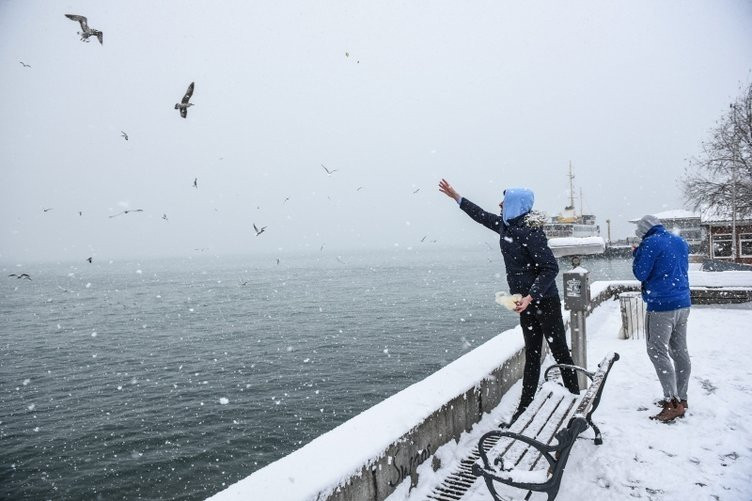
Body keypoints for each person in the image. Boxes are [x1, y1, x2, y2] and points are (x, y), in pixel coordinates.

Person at [438, 179, 580, 424]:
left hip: (544, 303)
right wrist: (457, 197)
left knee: (560, 354)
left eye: (505, 201)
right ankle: (524, 410)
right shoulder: (507, 226)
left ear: (516, 204)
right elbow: (481, 216)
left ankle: (576, 405)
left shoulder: (531, 232)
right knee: (533, 355)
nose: (500, 204)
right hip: (523, 304)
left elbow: (550, 268)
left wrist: (531, 296)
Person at [632, 214, 691, 423]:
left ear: (644, 229)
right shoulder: (679, 240)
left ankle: (671, 402)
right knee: (679, 350)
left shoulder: (650, 243)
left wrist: (637, 253)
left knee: (656, 350)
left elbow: (640, 273)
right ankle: (681, 398)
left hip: (661, 305)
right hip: (683, 303)